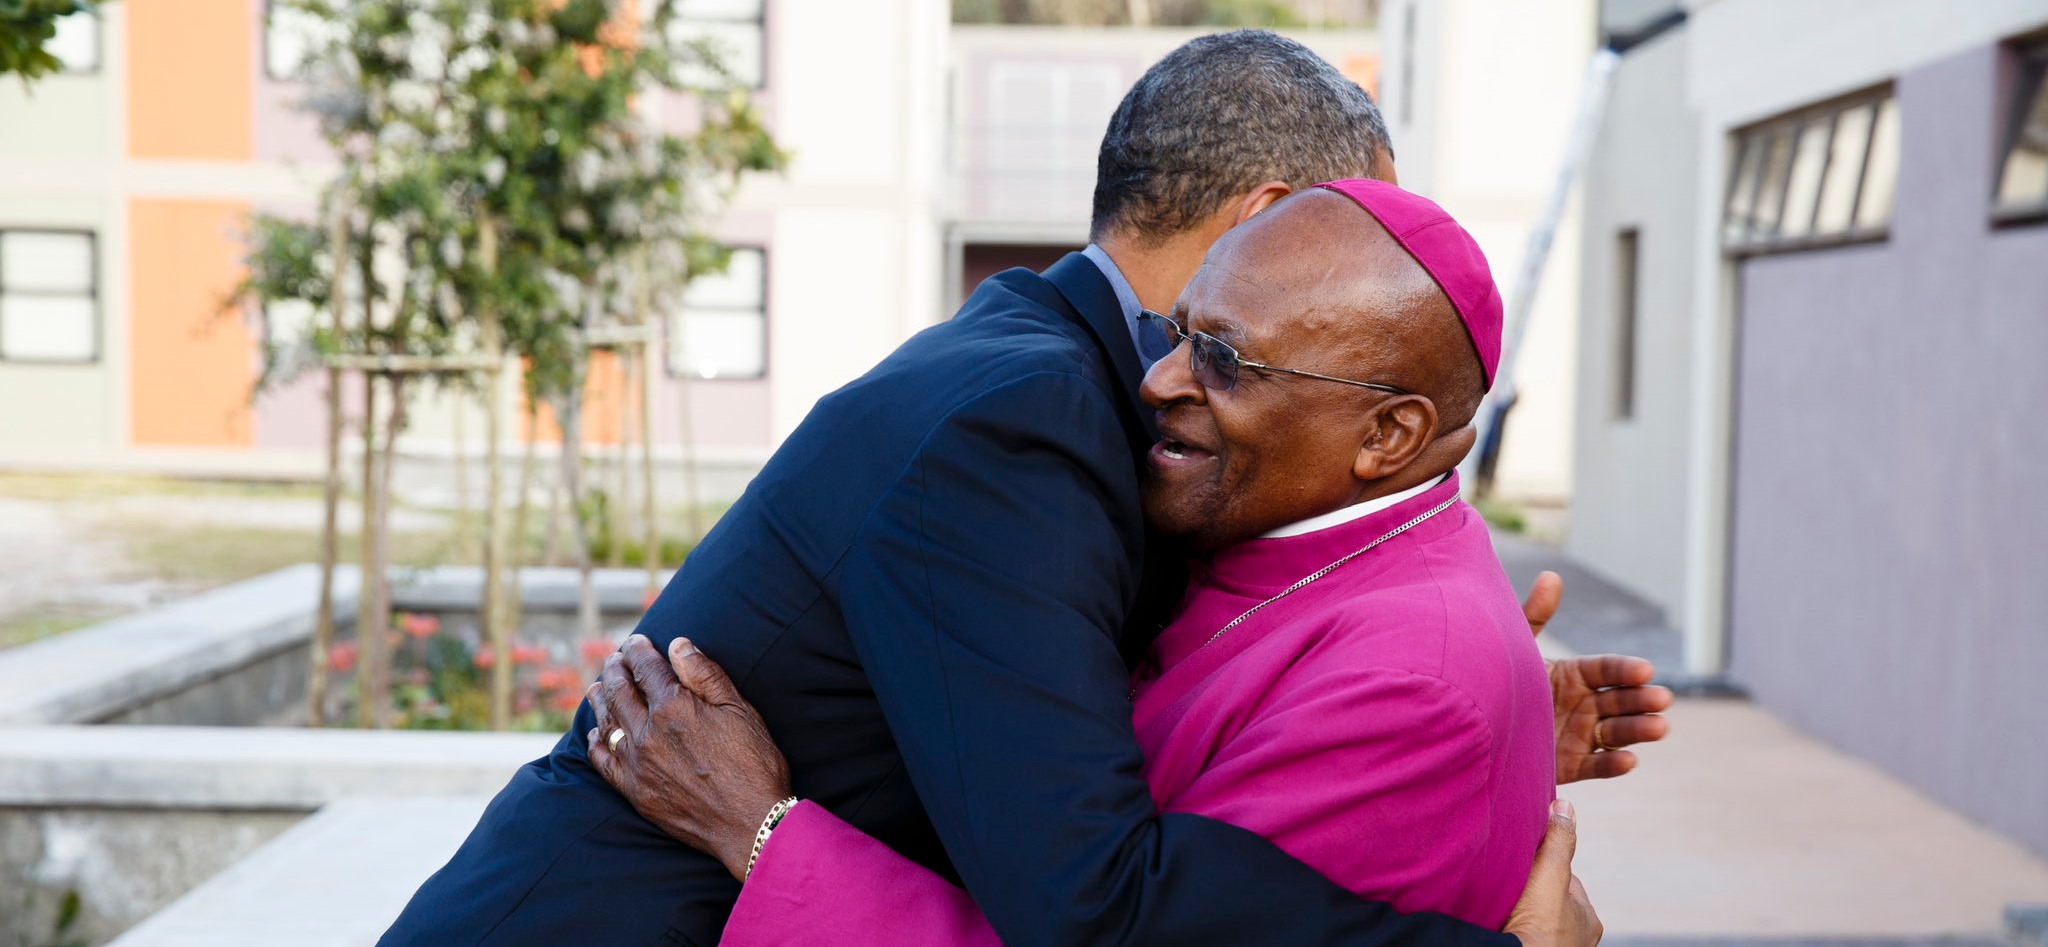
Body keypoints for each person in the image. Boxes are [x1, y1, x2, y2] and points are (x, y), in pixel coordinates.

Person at [380, 31, 1668, 947]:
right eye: (1344, 223)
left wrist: (1460, 733)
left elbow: (1119, 713)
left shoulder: (1052, 367)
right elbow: (1092, 900)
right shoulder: (1026, 416)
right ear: (1266, 220)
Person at [587, 178, 1565, 941]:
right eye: (1173, 331)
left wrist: (759, 830)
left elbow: (1110, 929)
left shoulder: (1407, 683)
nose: (1157, 379)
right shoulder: (1326, 566)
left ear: (1389, 434)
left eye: (1223, 358)